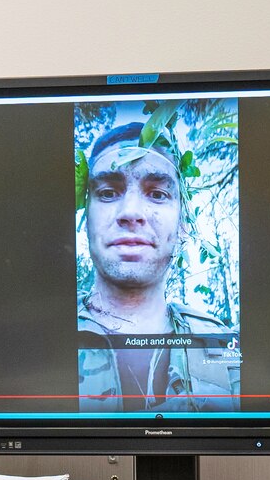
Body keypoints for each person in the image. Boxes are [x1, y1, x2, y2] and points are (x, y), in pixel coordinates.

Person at [76, 121, 239, 413]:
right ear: (85, 218)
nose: (131, 213)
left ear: (184, 224)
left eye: (158, 194)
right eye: (108, 192)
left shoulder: (222, 344)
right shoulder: (40, 339)